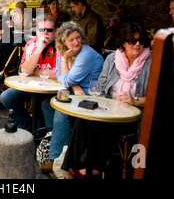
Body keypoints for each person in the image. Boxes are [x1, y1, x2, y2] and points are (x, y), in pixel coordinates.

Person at [62, 22, 152, 179]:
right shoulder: (112, 59)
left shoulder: (150, 64)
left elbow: (156, 97)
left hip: (134, 116)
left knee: (103, 124)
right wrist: (105, 105)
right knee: (84, 120)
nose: (137, 44)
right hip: (110, 109)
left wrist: (135, 100)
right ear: (123, 43)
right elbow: (101, 88)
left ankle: (93, 169)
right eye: (132, 40)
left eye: (140, 41)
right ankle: (72, 167)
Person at [40, 21, 104, 172]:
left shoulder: (85, 54)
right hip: (77, 93)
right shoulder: (67, 52)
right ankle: (61, 146)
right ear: (64, 42)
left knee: (61, 111)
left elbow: (65, 80)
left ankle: (57, 157)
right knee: (46, 105)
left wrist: (65, 64)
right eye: (71, 40)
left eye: (78, 38)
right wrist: (73, 84)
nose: (76, 42)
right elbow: (59, 75)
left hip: (91, 97)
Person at [0, 14, 60, 131]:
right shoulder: (31, 44)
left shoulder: (59, 47)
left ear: (55, 32)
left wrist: (35, 71)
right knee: (6, 96)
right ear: (36, 31)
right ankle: (27, 126)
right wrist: (39, 49)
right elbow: (25, 71)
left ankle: (40, 132)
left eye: (49, 30)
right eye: (42, 30)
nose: (45, 33)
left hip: (51, 89)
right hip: (31, 85)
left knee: (37, 101)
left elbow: (57, 74)